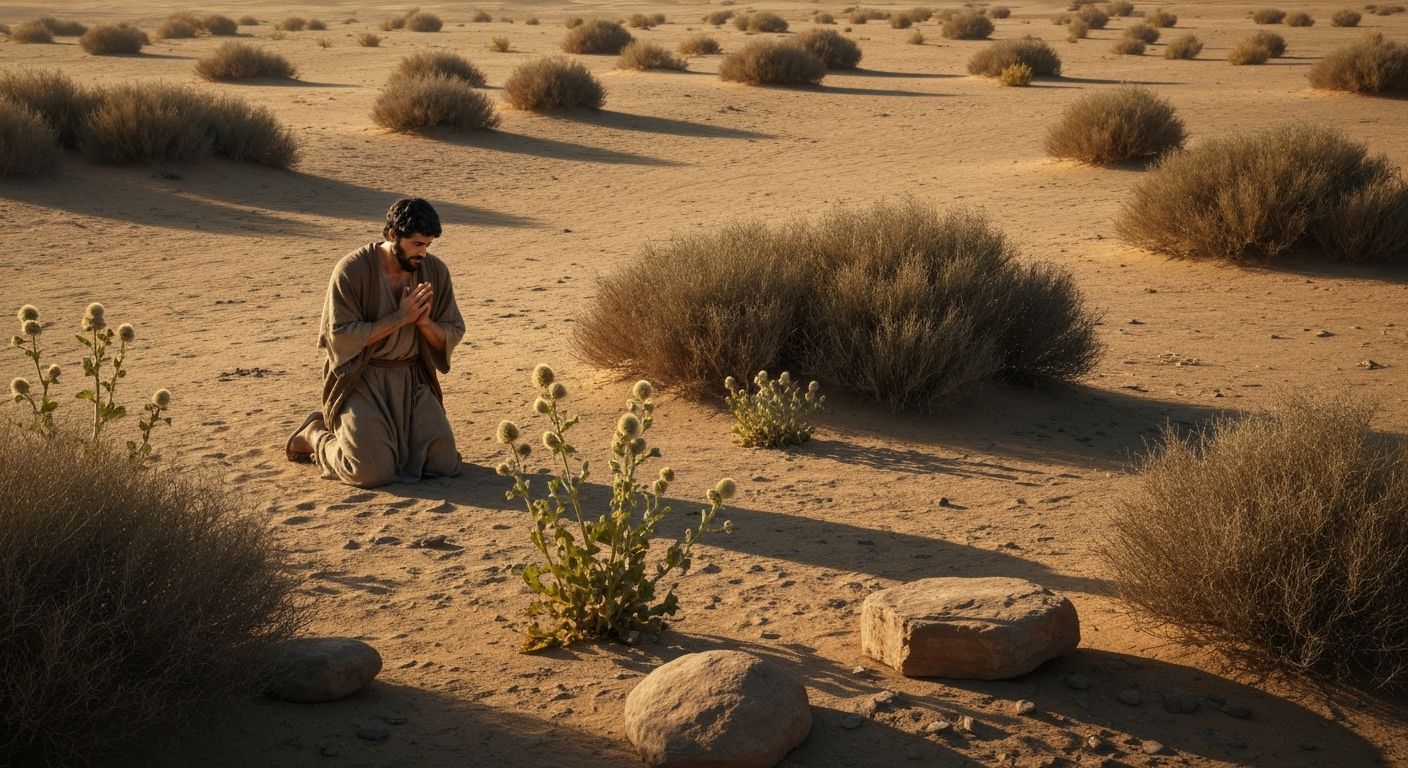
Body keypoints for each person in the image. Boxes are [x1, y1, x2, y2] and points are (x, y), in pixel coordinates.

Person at [286, 198, 465, 487]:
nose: (423, 252)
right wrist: (400, 318)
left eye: (429, 245)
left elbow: (452, 330)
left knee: (444, 463)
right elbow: (339, 336)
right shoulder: (352, 270)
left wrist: (424, 323)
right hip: (361, 379)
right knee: (370, 472)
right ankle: (315, 434)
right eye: (417, 244)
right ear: (393, 234)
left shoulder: (434, 271)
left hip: (412, 380)